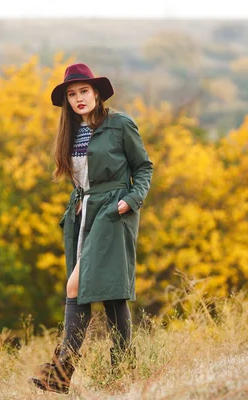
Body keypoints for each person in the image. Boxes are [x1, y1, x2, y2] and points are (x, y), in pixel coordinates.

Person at [29, 63, 153, 394]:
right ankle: (124, 368)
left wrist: (131, 200)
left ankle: (59, 372)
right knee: (109, 294)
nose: (79, 98)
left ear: (96, 93)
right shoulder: (70, 132)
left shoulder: (119, 124)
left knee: (76, 285)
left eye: (84, 91)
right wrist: (76, 206)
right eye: (72, 94)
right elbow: (81, 179)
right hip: (83, 213)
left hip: (113, 211)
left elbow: (143, 167)